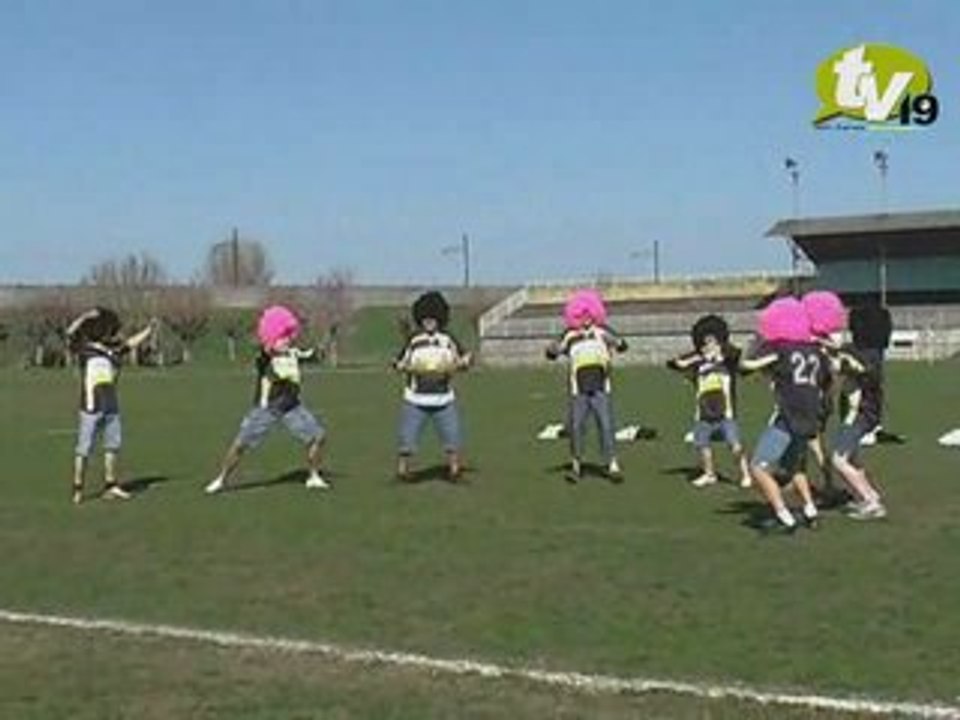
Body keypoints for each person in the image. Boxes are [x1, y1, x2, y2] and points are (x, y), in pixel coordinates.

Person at [205, 305, 328, 494]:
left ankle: (313, 476)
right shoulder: (265, 358)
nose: (287, 340)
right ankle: (221, 479)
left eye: (288, 335)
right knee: (240, 445)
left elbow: (311, 356)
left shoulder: (293, 353)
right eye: (282, 336)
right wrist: (267, 346)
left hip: (292, 408)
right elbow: (264, 354)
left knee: (318, 437)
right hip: (266, 409)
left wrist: (320, 350)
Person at [741, 297, 828, 532]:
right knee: (795, 467)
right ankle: (810, 510)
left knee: (758, 467)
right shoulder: (816, 351)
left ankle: (783, 516)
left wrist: (758, 340)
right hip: (810, 417)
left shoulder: (780, 349)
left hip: (788, 417)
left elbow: (746, 365)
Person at [67, 307, 156, 504]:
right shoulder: (85, 350)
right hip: (90, 407)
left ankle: (111, 485)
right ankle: (78, 487)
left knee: (112, 446)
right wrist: (84, 316)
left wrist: (148, 331)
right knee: (84, 449)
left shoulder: (111, 350)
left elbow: (129, 344)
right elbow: (70, 333)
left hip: (111, 406)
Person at [546, 289, 627, 482]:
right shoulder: (570, 335)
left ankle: (612, 463)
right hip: (578, 390)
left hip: (601, 387)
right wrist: (552, 350)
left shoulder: (602, 332)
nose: (586, 319)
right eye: (581, 316)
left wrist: (619, 343)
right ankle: (576, 464)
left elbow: (622, 345)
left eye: (589, 315)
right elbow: (554, 352)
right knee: (576, 427)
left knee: (606, 425)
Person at [393, 291, 471, 482]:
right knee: (407, 437)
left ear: (440, 318)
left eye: (433, 318)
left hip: (444, 398)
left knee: (452, 435)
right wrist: (402, 366)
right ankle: (403, 470)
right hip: (415, 399)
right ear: (420, 318)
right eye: (426, 318)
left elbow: (465, 356)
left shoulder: (447, 339)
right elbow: (398, 362)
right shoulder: (413, 340)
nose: (429, 322)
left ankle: (454, 470)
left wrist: (463, 363)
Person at [667, 314, 752, 488]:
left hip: (726, 412)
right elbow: (673, 364)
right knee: (702, 444)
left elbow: (736, 355)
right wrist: (695, 359)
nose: (708, 346)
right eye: (705, 343)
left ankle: (745, 474)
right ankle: (709, 473)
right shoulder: (699, 364)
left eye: (712, 341)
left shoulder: (728, 361)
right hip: (703, 412)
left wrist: (718, 354)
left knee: (734, 445)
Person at [830, 305, 889, 520]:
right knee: (853, 459)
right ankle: (869, 495)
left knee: (839, 460)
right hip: (860, 412)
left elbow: (849, 365)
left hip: (859, 414)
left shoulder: (864, 355)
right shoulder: (873, 352)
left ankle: (871, 502)